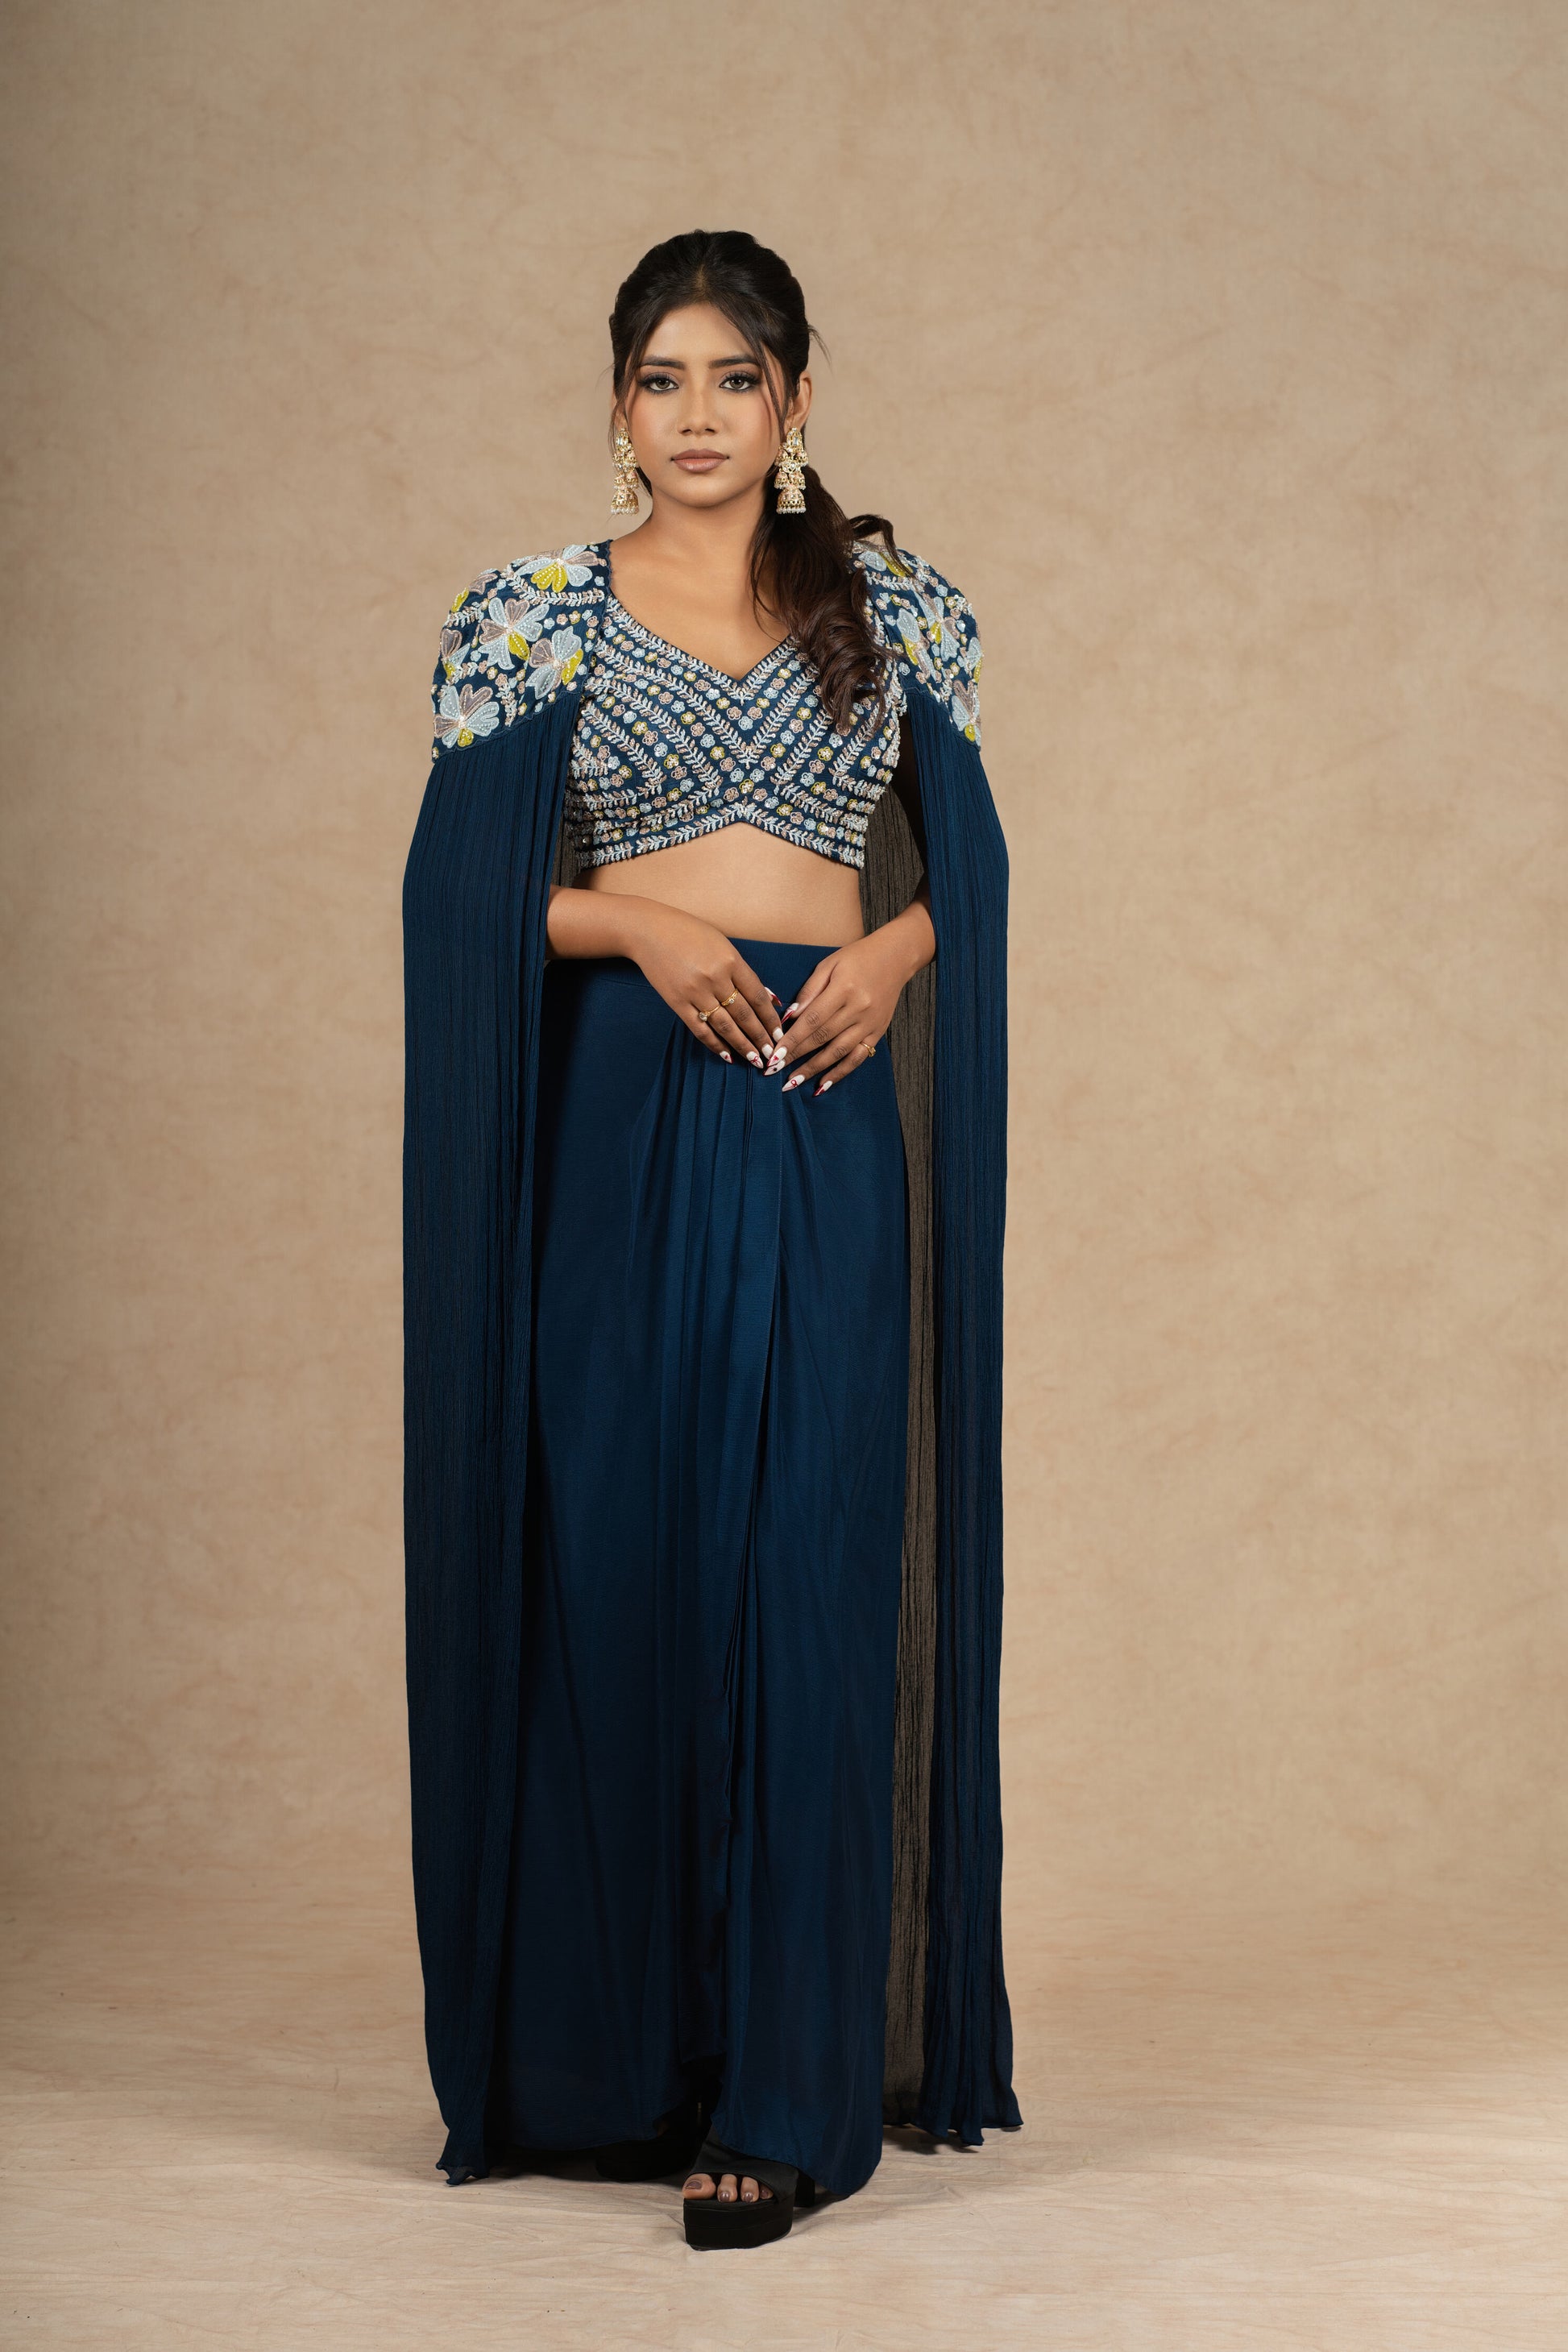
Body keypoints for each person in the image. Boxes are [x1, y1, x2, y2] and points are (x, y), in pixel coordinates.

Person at [402, 228, 1020, 2250]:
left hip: (820, 1111)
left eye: (732, 379)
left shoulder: (889, 604)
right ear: (614, 404)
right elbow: (459, 902)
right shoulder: (533, 619)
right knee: (635, 1563)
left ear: (797, 399)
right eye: (659, 378)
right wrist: (646, 922)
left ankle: (783, 2090)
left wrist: (900, 949)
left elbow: (976, 874)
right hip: (619, 1113)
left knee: (810, 1574)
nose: (694, 415)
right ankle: (620, 2063)